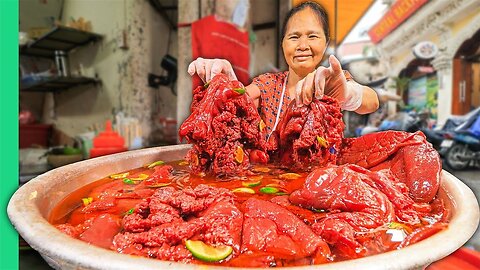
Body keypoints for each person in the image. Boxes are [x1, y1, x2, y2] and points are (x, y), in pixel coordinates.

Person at [187, 1, 379, 136]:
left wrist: (349, 95)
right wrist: (226, 85)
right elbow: (241, 102)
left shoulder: (332, 80)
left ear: (326, 43)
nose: (303, 45)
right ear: (283, 44)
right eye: (294, 37)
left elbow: (372, 101)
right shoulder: (269, 84)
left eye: (312, 36)